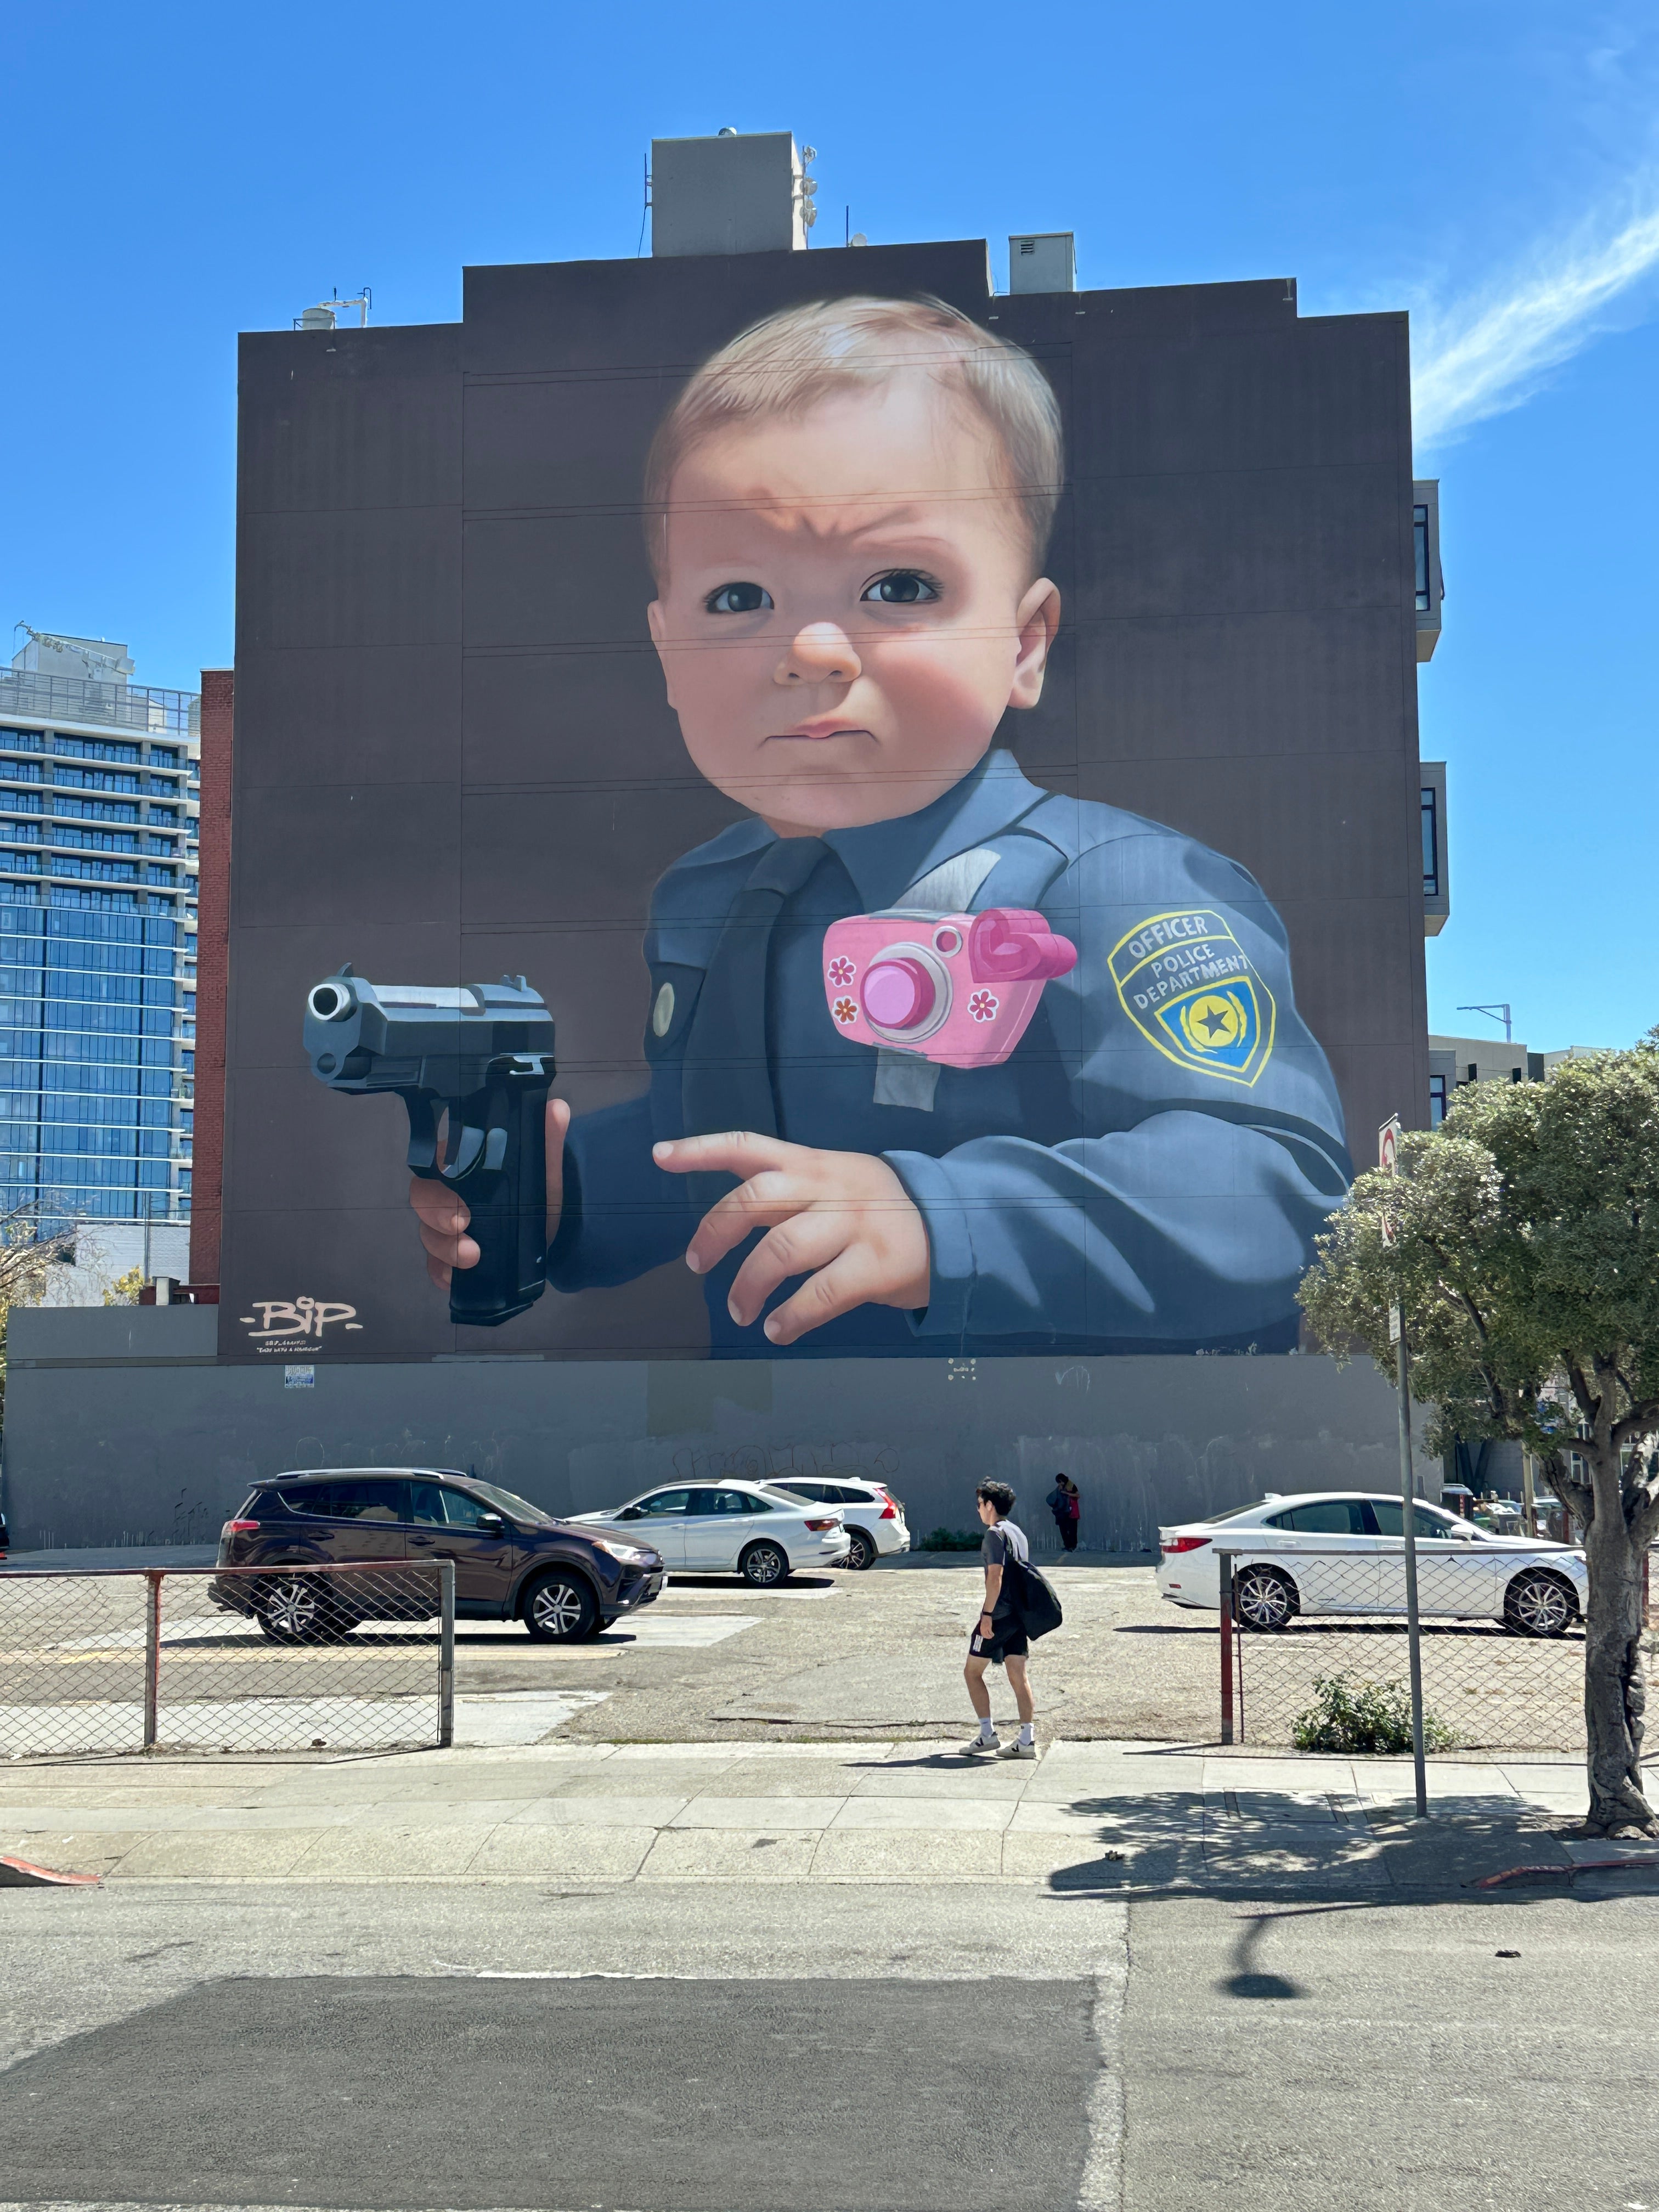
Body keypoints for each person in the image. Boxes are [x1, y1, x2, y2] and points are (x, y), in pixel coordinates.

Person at [412, 293, 1351, 1355]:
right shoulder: (707, 902)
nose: (812, 649)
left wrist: (939, 1223)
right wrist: (560, 1204)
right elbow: (717, 1162)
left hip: (1056, 1466)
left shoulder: (1108, 883)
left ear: (1026, 642)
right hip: (775, 1472)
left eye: (898, 585)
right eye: (737, 600)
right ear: (666, 650)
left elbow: (1276, 1187)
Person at [963, 1480, 1036, 1759]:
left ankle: (987, 1735)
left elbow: (996, 1577)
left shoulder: (994, 1534)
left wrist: (987, 1616)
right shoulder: (1018, 1533)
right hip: (1019, 1616)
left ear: (990, 1506)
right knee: (1019, 1676)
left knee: (972, 1672)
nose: (978, 1509)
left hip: (999, 1616)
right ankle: (1026, 1740)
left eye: (980, 1504)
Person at [1047, 1474, 1081, 1552]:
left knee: (1072, 1529)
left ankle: (1073, 1546)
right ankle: (1067, 1545)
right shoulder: (1060, 1488)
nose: (1060, 1484)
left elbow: (1077, 1495)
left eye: (1060, 1482)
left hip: (1072, 1511)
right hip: (1063, 1512)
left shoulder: (1071, 1485)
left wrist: (1067, 1494)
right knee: (1063, 1529)